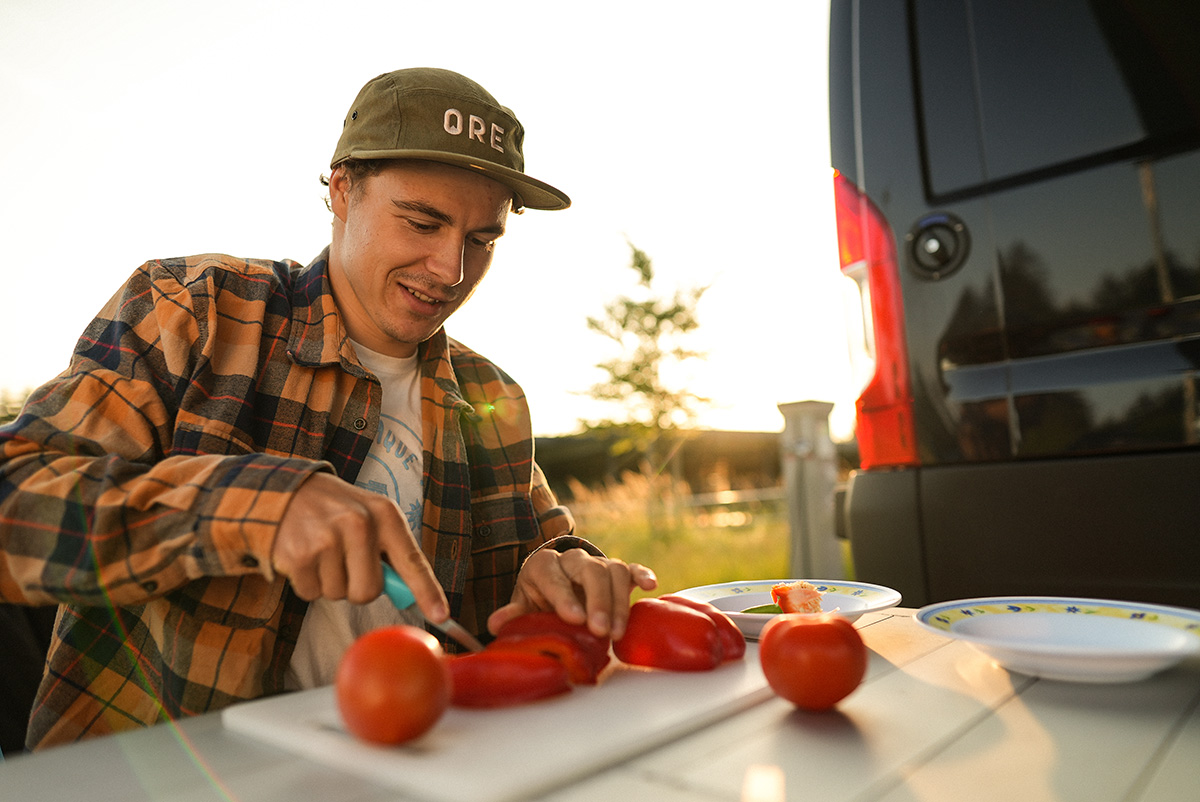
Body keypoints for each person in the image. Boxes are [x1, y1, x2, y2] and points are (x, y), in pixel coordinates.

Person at [0, 67, 657, 752]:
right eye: (423, 221)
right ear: (343, 191)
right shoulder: (189, 310)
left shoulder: (494, 398)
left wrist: (566, 569)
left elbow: (543, 544)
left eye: (481, 240)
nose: (450, 270)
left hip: (419, 769)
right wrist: (251, 508)